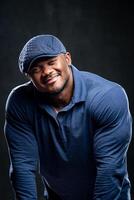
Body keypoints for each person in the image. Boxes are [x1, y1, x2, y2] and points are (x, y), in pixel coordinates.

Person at [4, 34, 132, 200]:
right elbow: (22, 167)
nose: (47, 72)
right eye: (36, 69)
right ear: (29, 76)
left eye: (51, 62)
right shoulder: (19, 102)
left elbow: (109, 170)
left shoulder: (107, 96)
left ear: (67, 58)